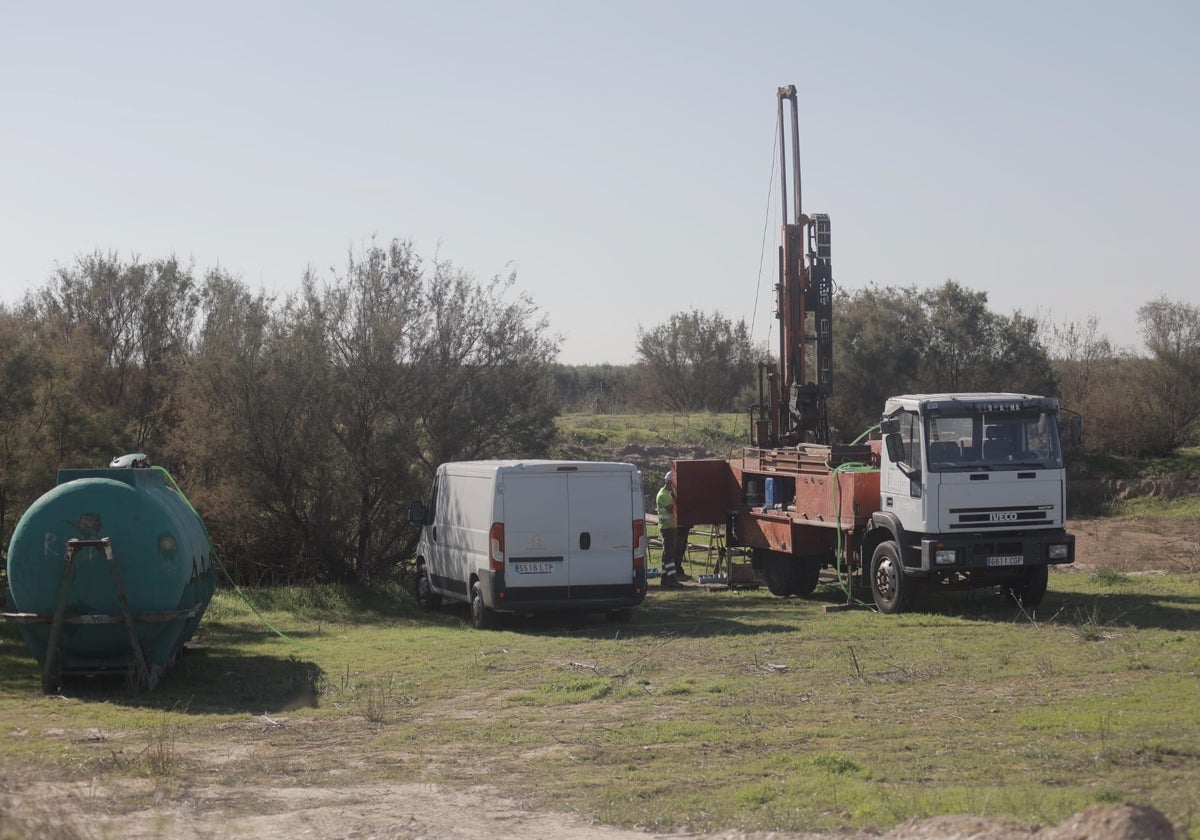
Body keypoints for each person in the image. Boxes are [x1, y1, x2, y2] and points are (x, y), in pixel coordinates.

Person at [656, 471, 692, 587]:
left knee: (667, 554)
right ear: (670, 482)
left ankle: (665, 578)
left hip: (671, 527)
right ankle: (672, 579)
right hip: (668, 528)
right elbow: (673, 510)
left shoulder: (669, 494)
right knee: (669, 555)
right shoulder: (663, 495)